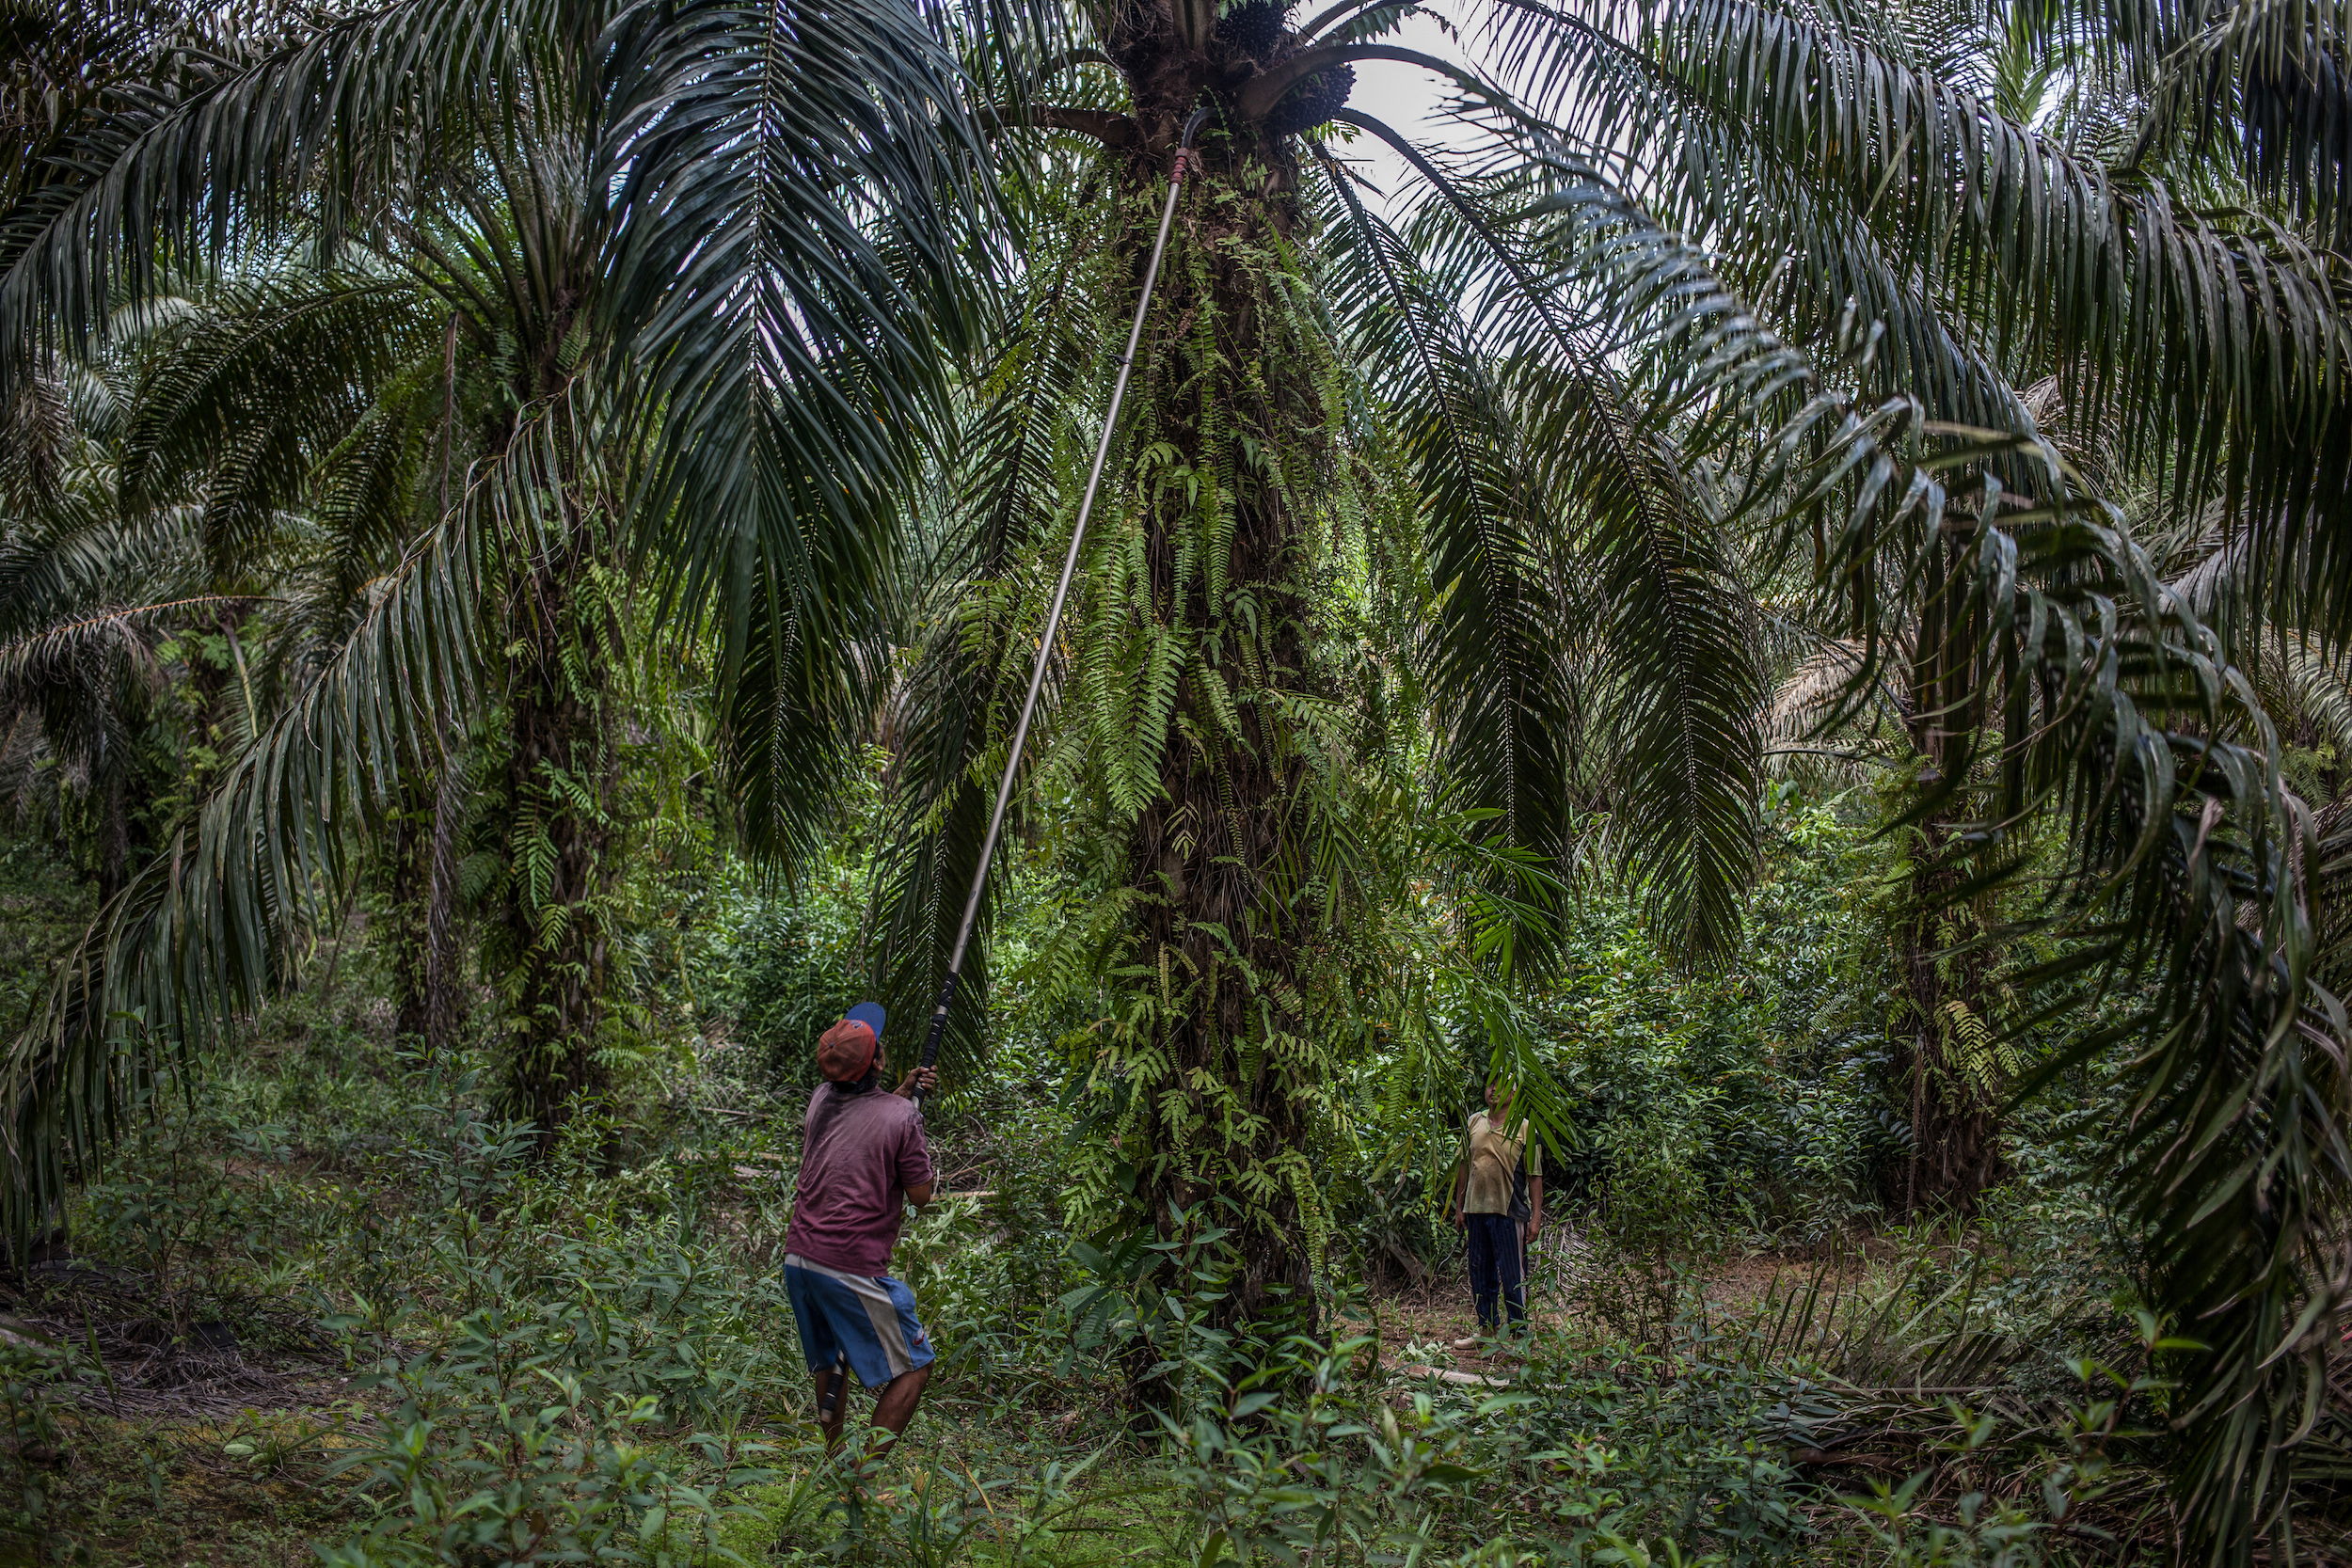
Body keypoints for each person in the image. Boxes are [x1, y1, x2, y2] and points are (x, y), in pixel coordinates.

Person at [783, 1002, 939, 1474]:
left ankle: (833, 1466)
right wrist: (911, 1118)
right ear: (879, 1061)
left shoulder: (819, 1099)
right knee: (916, 1366)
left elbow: (863, 1119)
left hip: (799, 1258)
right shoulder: (901, 1118)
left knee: (830, 1360)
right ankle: (862, 1480)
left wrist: (902, 1094)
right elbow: (921, 1195)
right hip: (847, 1264)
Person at [1448, 1078, 1544, 1345]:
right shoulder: (1474, 1122)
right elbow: (1465, 1164)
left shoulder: (1525, 1128)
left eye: (1500, 1086)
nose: (1493, 1090)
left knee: (1513, 1274)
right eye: (1489, 1084)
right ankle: (1487, 1329)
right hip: (1476, 1209)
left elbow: (1535, 1175)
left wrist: (1536, 1216)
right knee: (1479, 1270)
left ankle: (1520, 1334)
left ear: (1513, 1094)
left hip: (1509, 1211)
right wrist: (1460, 1205)